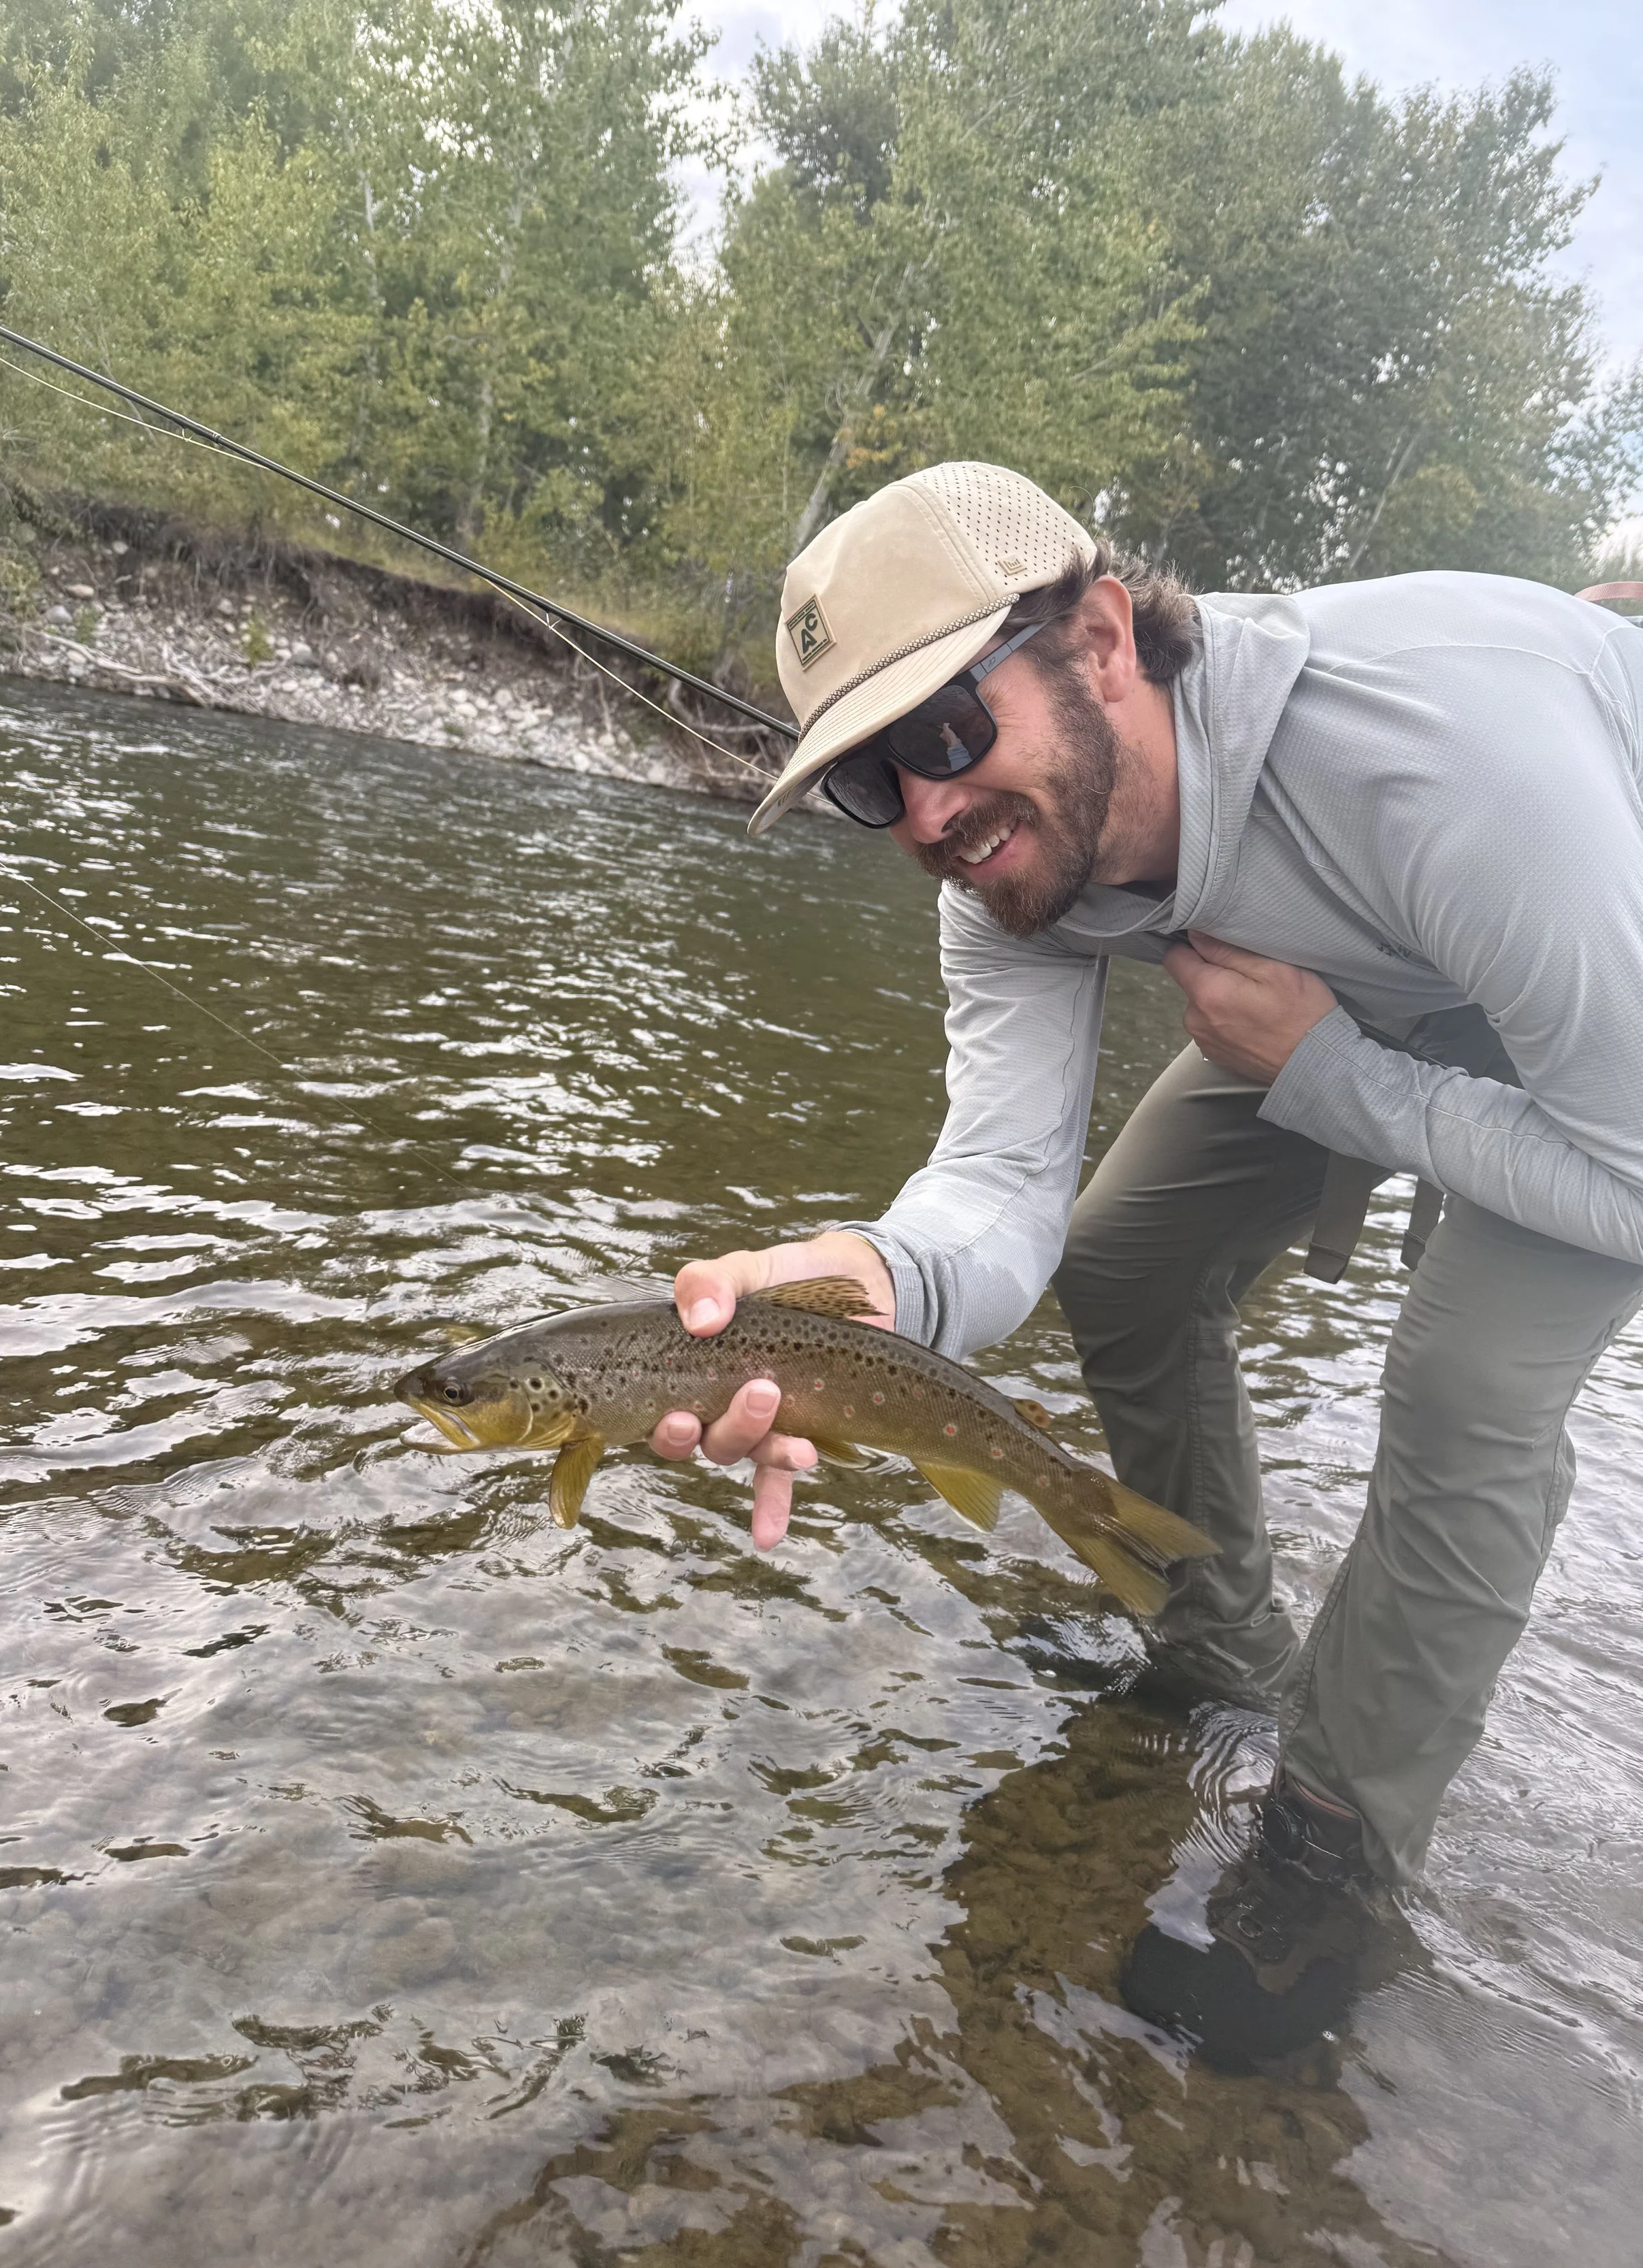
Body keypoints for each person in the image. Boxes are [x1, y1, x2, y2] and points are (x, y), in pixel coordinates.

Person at [647, 461, 1643, 2061]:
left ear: (1101, 635)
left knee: (1463, 1377)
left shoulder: (1454, 766)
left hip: (1604, 972)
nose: (921, 813)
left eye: (943, 735)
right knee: (1122, 1256)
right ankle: (1215, 1638)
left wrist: (1339, 1082)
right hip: (1344, 984)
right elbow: (998, 1192)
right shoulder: (1004, 866)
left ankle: (1328, 1846)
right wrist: (871, 1289)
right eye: (863, 782)